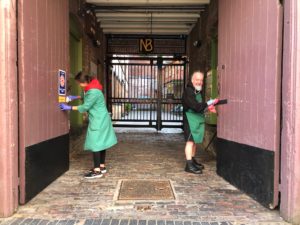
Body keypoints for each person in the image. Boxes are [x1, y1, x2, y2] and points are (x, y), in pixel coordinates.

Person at [59, 72, 117, 179]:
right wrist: (75, 97)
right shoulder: (94, 88)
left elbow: (85, 107)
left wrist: (69, 108)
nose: (79, 86)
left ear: (84, 82)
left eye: (79, 84)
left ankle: (97, 171)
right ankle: (101, 166)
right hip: (102, 119)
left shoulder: (93, 91)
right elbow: (87, 95)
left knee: (95, 144)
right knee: (101, 142)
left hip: (98, 120)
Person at [182, 71, 218, 174]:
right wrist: (209, 103)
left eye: (201, 80)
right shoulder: (189, 91)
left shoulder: (197, 91)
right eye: (197, 80)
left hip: (196, 120)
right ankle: (188, 165)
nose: (199, 82)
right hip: (190, 120)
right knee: (189, 142)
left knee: (194, 142)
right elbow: (196, 106)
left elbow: (200, 107)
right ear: (192, 80)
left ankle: (192, 161)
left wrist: (208, 108)